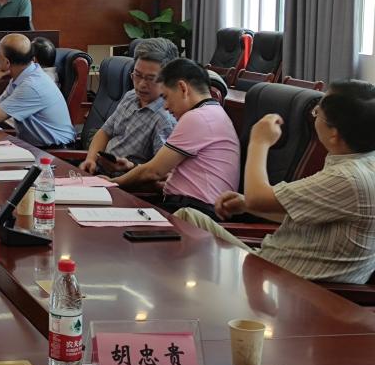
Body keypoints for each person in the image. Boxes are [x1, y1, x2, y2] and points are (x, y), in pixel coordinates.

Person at [176, 80, 375, 283]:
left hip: (286, 284)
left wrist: (259, 142)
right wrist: (246, 205)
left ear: (334, 133)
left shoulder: (347, 178)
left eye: (318, 112)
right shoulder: (363, 164)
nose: (315, 115)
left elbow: (257, 198)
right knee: (187, 218)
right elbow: (308, 213)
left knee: (181, 227)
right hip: (271, 268)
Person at [111, 58, 239, 218]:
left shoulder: (197, 117)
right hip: (189, 207)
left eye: (165, 97)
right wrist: (132, 168)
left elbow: (153, 172)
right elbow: (166, 175)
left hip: (195, 212)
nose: (165, 106)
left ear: (182, 88)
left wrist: (111, 183)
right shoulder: (212, 112)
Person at [79, 38, 179, 174]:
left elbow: (159, 173)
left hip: (127, 181)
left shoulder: (165, 119)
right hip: (100, 171)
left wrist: (130, 167)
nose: (141, 84)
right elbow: (104, 132)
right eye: (137, 75)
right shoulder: (131, 96)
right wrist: (90, 159)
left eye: (151, 79)